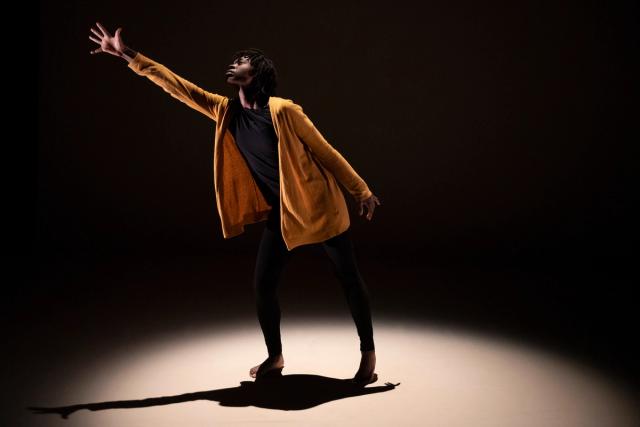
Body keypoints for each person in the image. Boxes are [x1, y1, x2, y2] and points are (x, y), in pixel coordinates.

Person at [89, 22, 381, 385]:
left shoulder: (284, 111)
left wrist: (361, 191)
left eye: (242, 61)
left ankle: (367, 357)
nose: (234, 63)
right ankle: (275, 357)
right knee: (263, 284)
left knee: (347, 277)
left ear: (257, 73)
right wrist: (128, 55)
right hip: (285, 212)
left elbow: (326, 151)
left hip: (319, 206)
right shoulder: (225, 111)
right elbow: (176, 86)